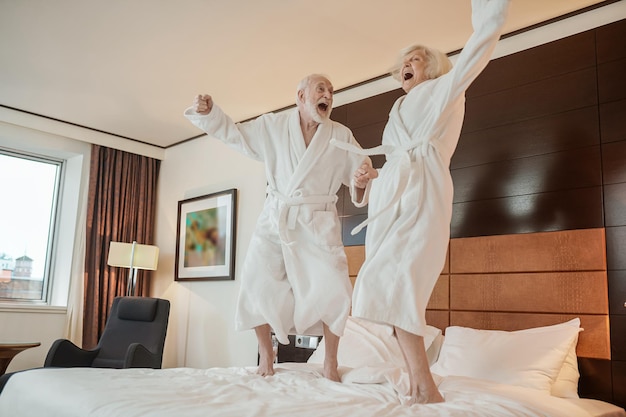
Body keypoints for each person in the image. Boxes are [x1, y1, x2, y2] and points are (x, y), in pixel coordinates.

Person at [332, 0, 511, 404]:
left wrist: (490, 15)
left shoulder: (445, 91)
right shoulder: (396, 108)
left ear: (432, 68)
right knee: (384, 286)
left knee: (403, 286)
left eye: (416, 59)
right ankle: (418, 381)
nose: (407, 65)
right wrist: (369, 178)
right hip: (392, 195)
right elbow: (396, 160)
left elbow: (476, 53)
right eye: (404, 62)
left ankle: (425, 384)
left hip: (423, 192)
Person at [184, 74, 377, 381]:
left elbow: (359, 171)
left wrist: (362, 177)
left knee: (335, 288)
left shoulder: (340, 134)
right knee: (257, 283)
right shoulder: (272, 127)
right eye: (321, 89)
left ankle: (329, 362)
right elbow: (236, 135)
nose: (328, 94)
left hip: (317, 219)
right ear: (301, 96)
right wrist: (211, 114)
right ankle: (266, 353)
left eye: (331, 90)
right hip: (277, 216)